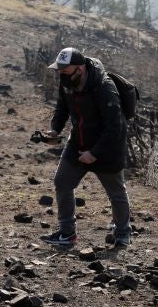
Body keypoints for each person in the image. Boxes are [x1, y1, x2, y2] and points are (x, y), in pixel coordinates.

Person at [39, 47, 132, 249]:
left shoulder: (104, 88)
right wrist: (55, 130)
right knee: (62, 182)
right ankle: (66, 233)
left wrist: (95, 153)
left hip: (108, 148)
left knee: (116, 192)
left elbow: (115, 127)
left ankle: (123, 234)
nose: (61, 75)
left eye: (65, 71)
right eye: (59, 71)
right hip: (78, 142)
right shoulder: (67, 84)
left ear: (80, 69)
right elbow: (62, 108)